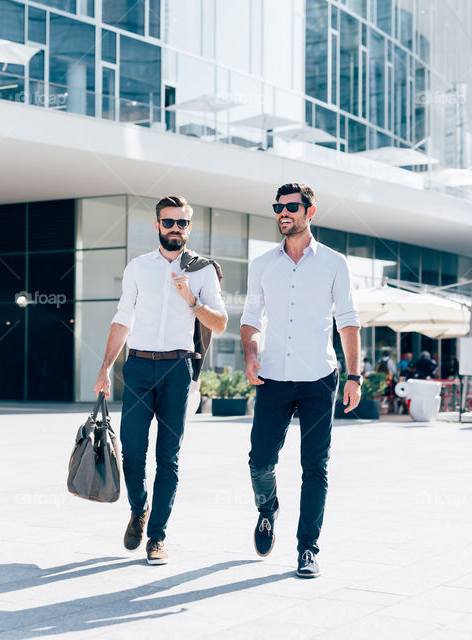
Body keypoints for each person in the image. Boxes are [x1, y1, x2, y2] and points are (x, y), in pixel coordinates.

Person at [94, 195, 228, 566]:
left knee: (168, 458)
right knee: (134, 452)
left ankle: (157, 536)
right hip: (137, 368)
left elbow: (219, 322)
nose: (174, 228)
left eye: (181, 223)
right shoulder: (138, 267)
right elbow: (123, 317)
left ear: (189, 227)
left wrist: (191, 300)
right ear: (157, 225)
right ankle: (139, 508)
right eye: (168, 222)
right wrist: (105, 367)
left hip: (177, 370)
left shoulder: (202, 271)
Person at [240, 183, 361, 579]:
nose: (283, 212)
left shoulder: (334, 263)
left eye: (291, 206)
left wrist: (355, 375)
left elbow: (347, 320)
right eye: (278, 207)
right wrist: (251, 353)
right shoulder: (262, 264)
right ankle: (267, 509)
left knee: (315, 466)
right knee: (260, 461)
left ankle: (307, 549)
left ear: (310, 212)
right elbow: (251, 319)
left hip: (318, 380)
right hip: (272, 378)